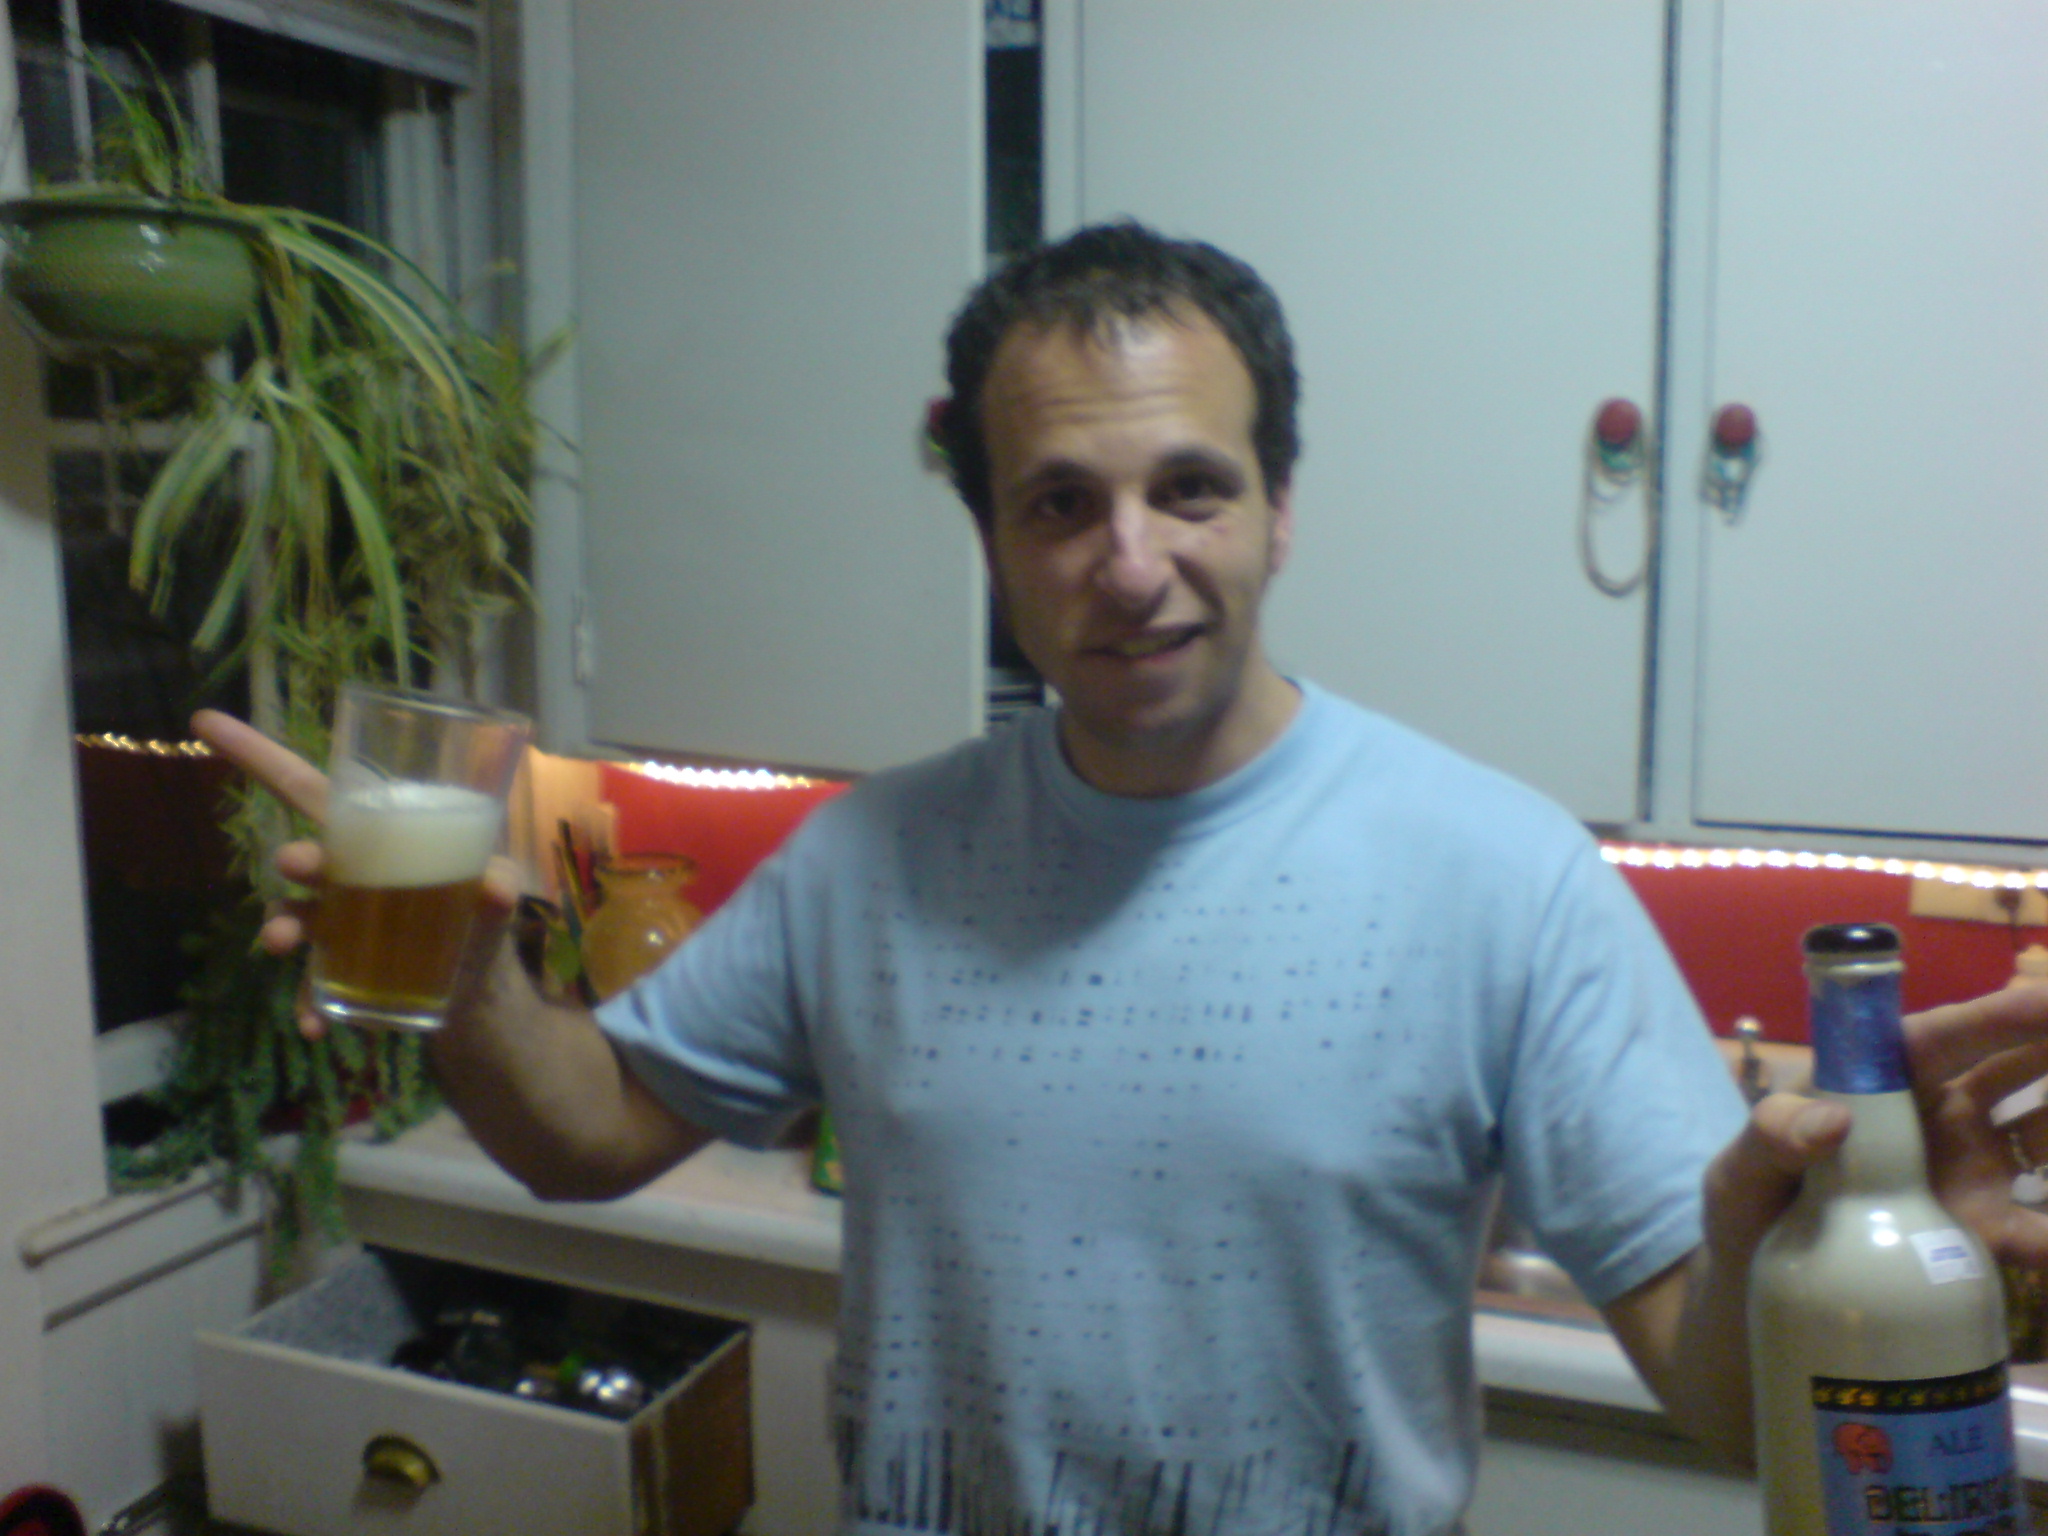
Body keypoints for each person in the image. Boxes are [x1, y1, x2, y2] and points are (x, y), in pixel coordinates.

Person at [196, 222, 2048, 1536]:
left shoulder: (1499, 874)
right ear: (991, 538)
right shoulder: (872, 859)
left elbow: (1724, 1405)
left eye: (1190, 487)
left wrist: (1806, 1273)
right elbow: (580, 1134)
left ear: (1281, 507)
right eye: (1058, 504)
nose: (1131, 560)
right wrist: (456, 979)